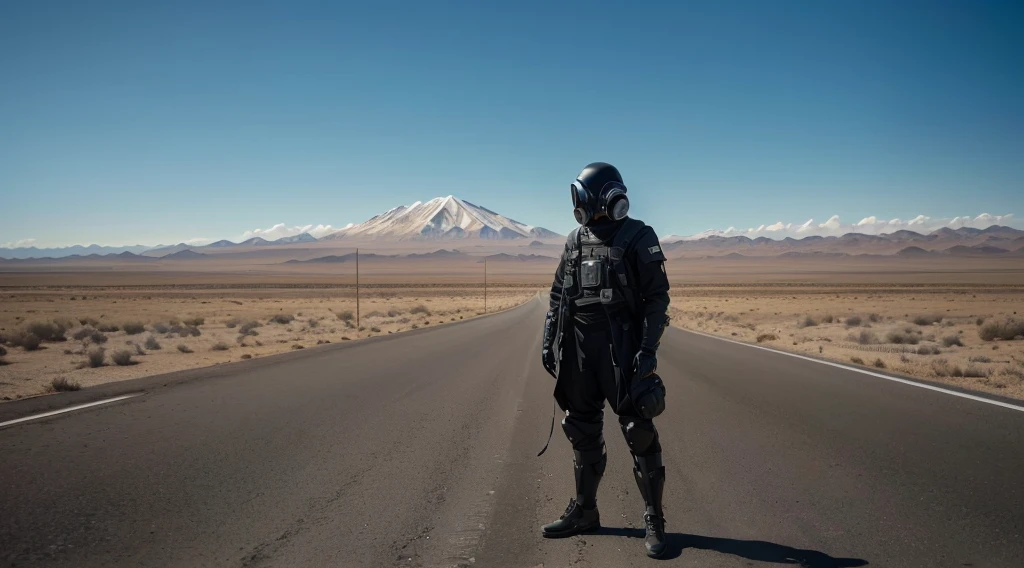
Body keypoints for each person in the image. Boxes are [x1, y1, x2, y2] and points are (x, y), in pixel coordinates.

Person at [540, 162, 671, 558]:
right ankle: (585, 511)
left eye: (577, 195)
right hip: (579, 348)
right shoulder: (575, 239)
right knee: (580, 428)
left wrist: (647, 352)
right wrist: (549, 341)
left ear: (593, 195)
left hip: (622, 347)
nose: (575, 204)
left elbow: (656, 300)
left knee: (638, 429)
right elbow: (558, 295)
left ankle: (655, 519)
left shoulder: (638, 236)